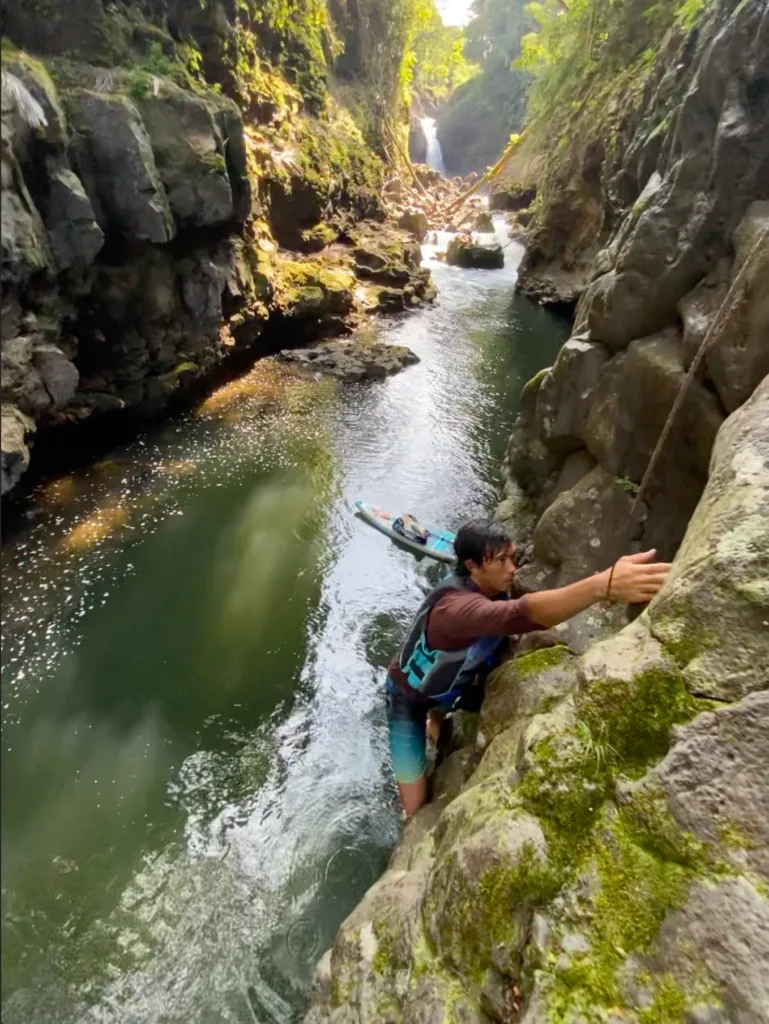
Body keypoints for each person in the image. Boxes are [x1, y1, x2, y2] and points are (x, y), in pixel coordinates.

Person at [385, 518, 671, 815]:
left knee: (446, 691)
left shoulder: (486, 582)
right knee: (415, 811)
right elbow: (518, 614)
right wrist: (602, 586)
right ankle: (430, 722)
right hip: (407, 698)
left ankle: (436, 719)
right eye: (501, 561)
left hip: (450, 684)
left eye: (512, 556)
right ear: (471, 566)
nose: (512, 568)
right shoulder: (455, 610)